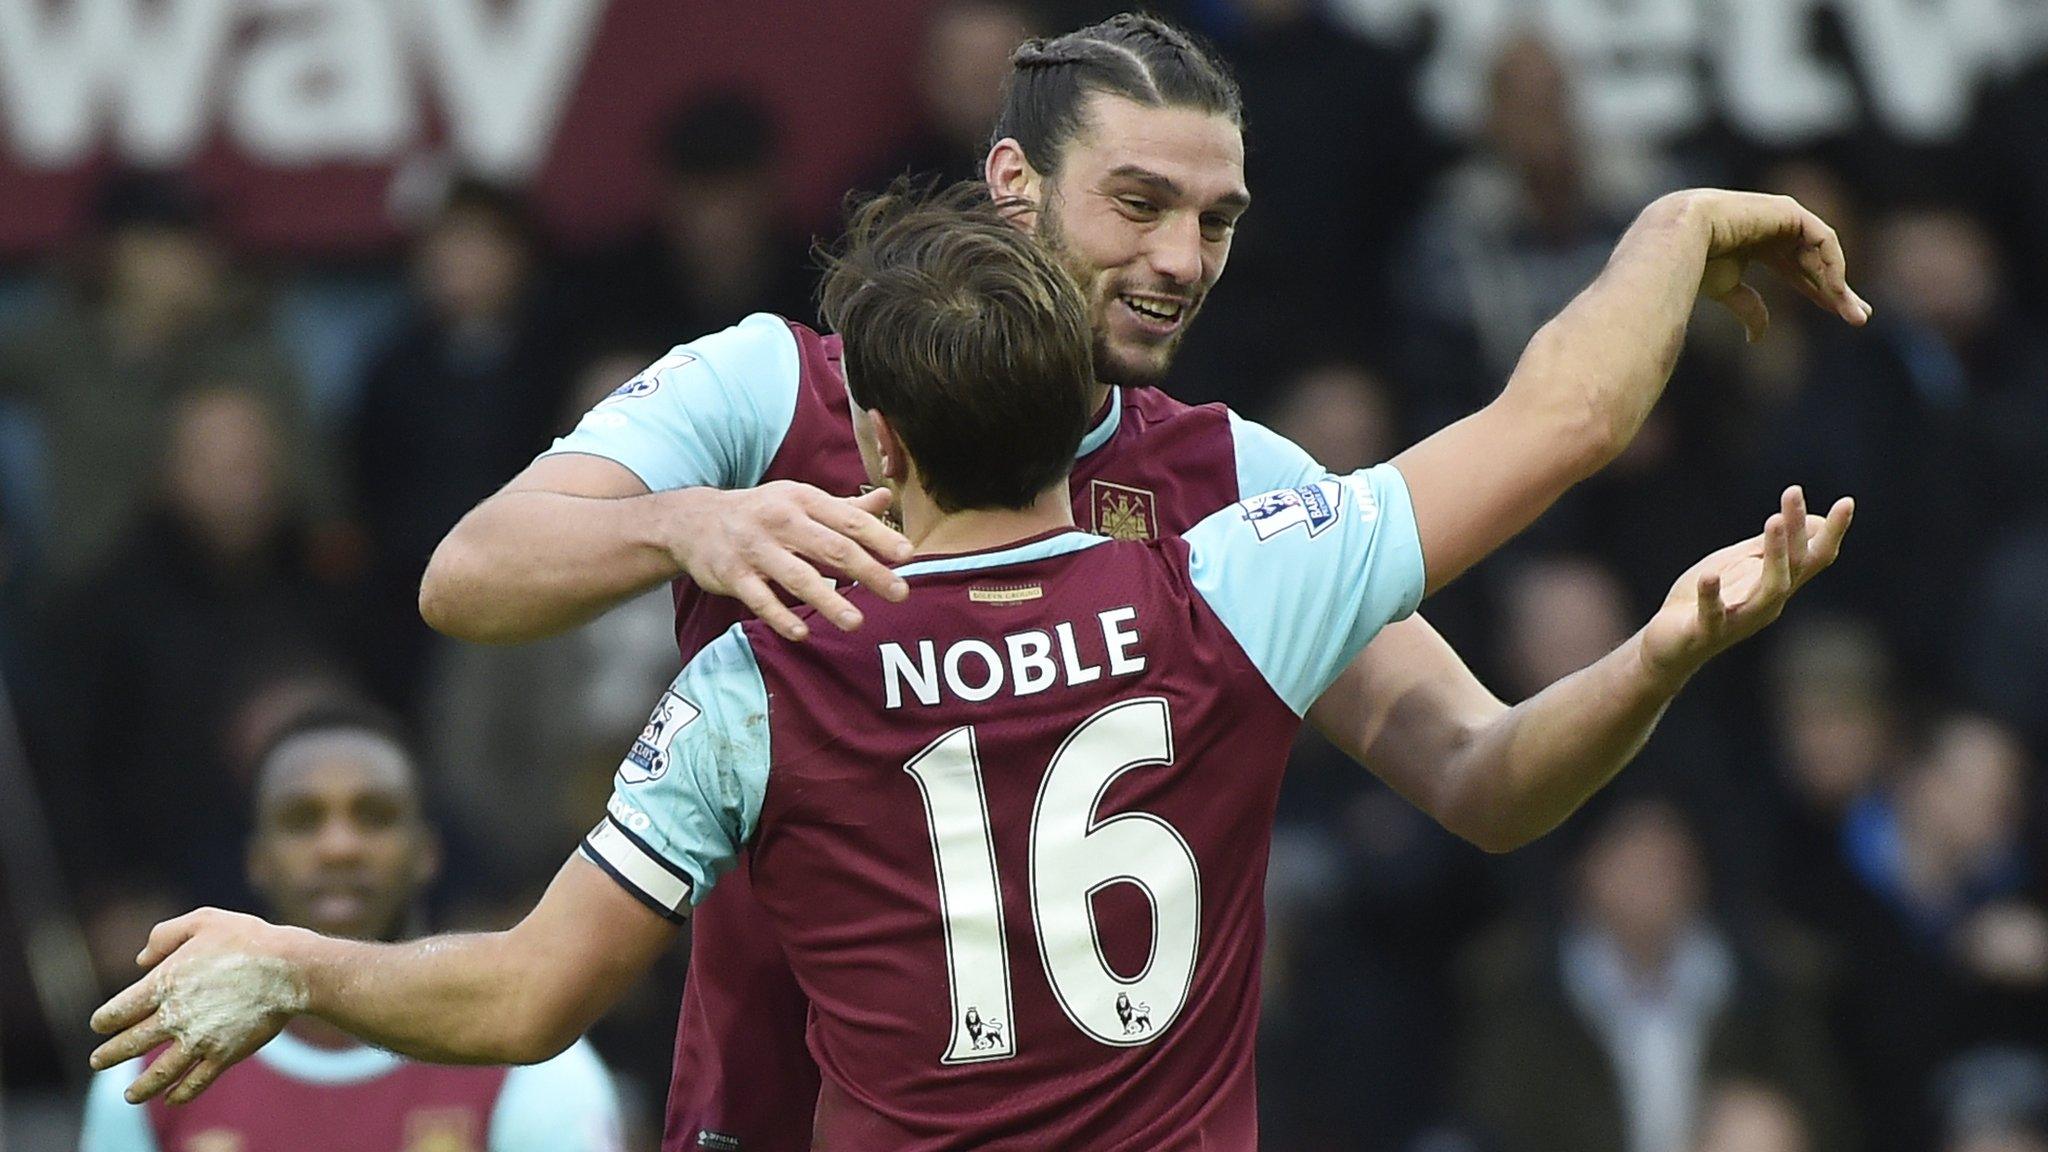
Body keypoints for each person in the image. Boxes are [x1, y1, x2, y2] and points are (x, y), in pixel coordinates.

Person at [89, 180, 1848, 1150]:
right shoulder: (1234, 584)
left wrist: (288, 961)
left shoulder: (764, 680)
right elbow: (1567, 412)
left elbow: (525, 998)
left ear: (870, 439)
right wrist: (1675, 222)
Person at [79, 704, 623, 1152]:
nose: (339, 847)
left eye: (375, 816)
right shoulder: (150, 1067)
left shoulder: (531, 1059)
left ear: (428, 853)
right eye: (302, 820)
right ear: (256, 859)